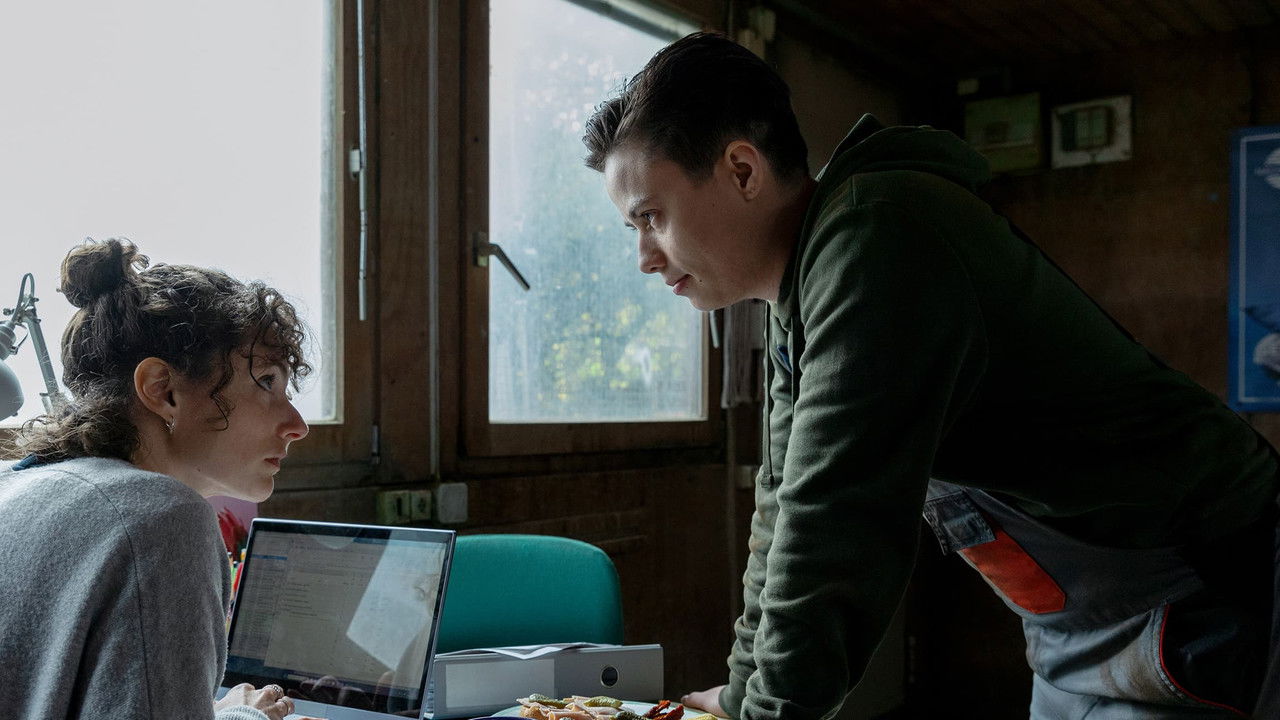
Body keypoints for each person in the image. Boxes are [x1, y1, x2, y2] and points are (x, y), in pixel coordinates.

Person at [582, 32, 1280, 719]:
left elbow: (835, 522)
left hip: (1202, 589)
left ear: (742, 170)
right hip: (1080, 624)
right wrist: (740, 698)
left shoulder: (876, 238)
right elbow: (785, 503)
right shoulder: (798, 295)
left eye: (652, 217)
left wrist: (768, 715)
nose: (644, 257)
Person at [0, 239, 317, 720]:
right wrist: (247, 716)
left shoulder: (15, 485)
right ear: (162, 390)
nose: (297, 425)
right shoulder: (159, 518)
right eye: (266, 382)